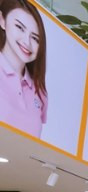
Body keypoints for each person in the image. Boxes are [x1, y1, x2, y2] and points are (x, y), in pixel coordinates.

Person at [0, 0, 47, 138]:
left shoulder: (40, 91)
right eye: (20, 27)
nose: (27, 42)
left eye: (35, 38)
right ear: (2, 20)